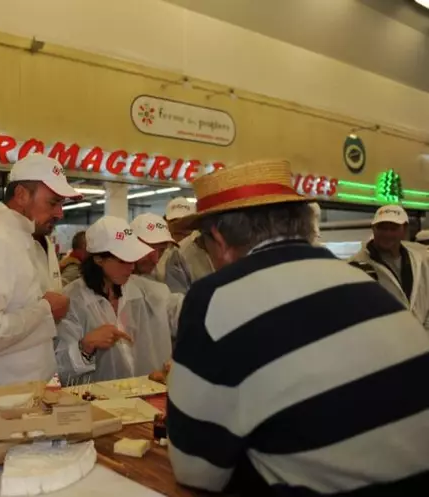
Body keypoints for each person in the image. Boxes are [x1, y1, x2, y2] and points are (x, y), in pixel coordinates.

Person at [167, 160, 429, 496]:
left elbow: (196, 469)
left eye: (203, 243)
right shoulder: (361, 280)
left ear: (219, 238)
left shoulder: (214, 297)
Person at [0, 153, 80, 389]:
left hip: (25, 399)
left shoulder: (26, 240)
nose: (60, 213)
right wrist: (45, 310)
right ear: (21, 195)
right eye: (53, 202)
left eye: (62, 203)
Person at [55, 216, 180, 384]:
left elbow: (184, 310)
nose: (131, 267)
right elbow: (60, 370)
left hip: (150, 399)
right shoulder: (73, 300)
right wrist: (85, 346)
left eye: (133, 258)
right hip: (97, 404)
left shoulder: (150, 292)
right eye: (123, 260)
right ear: (98, 259)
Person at [350, 205, 429, 330]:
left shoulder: (420, 260)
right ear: (373, 229)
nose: (387, 234)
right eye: (382, 228)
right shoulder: (356, 265)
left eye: (393, 228)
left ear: (404, 229)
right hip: (383, 343)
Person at [162, 197, 215, 293]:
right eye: (174, 221)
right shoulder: (165, 253)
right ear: (166, 221)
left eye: (185, 221)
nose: (180, 226)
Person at [130, 212, 177, 280]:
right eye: (149, 249)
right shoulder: (112, 283)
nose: (155, 260)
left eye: (162, 250)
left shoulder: (158, 278)